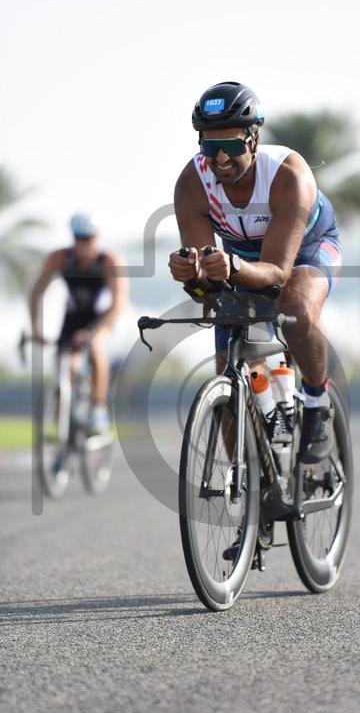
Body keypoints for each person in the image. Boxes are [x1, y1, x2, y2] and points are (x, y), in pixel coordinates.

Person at [169, 81, 342, 462]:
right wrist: (191, 272)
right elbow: (207, 281)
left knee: (295, 309)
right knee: (228, 366)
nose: (220, 158)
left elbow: (278, 273)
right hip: (243, 259)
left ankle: (317, 400)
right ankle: (244, 482)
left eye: (231, 146)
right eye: (210, 147)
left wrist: (233, 266)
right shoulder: (192, 184)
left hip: (307, 248)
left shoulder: (287, 175)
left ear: (253, 139)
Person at [29, 213, 127, 434]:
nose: (83, 243)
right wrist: (35, 328)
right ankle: (62, 425)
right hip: (73, 318)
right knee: (66, 367)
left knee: (96, 349)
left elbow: (119, 304)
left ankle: (99, 409)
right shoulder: (60, 258)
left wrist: (92, 331)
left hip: (100, 318)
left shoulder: (108, 261)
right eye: (79, 238)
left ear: (96, 238)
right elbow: (36, 293)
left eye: (88, 238)